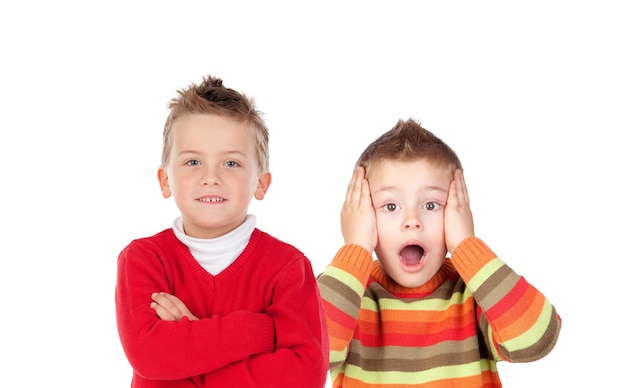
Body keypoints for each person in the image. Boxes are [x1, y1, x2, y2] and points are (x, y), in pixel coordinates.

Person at [115, 74, 329, 387]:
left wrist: (188, 340)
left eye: (230, 163)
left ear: (260, 183)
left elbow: (304, 375)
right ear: (164, 180)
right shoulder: (143, 260)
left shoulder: (288, 267)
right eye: (192, 162)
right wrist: (259, 330)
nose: (211, 177)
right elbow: (151, 356)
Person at [317, 118, 561, 387]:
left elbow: (536, 340)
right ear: (361, 216)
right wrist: (356, 247)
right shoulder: (345, 292)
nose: (412, 220)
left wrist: (466, 245)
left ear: (458, 212)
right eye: (390, 206)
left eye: (431, 205)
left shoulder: (476, 292)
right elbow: (313, 354)